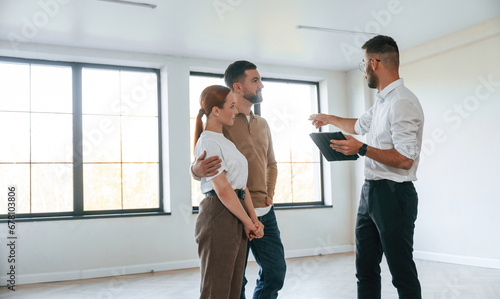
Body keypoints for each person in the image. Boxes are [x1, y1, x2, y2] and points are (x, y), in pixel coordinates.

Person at [309, 35, 424, 299]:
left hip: (395, 195)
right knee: (365, 269)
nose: (364, 71)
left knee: (401, 272)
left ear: (374, 63)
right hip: (370, 192)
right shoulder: (382, 101)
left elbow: (406, 159)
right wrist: (328, 119)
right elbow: (359, 126)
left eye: (364, 64)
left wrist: (361, 148)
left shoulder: (402, 102)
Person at [192, 61, 286, 299]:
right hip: (233, 209)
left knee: (275, 272)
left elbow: (271, 163)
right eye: (255, 80)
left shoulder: (262, 124)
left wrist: (269, 192)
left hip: (263, 209)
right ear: (238, 86)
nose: (261, 85)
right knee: (234, 280)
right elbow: (206, 165)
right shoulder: (223, 123)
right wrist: (195, 169)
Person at [193, 85, 264, 299]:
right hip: (219, 213)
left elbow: (242, 186)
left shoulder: (226, 142)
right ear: (216, 111)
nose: (235, 111)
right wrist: (247, 222)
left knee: (233, 287)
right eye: (231, 106)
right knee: (217, 288)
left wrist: (253, 219)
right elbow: (223, 189)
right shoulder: (207, 142)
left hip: (236, 209)